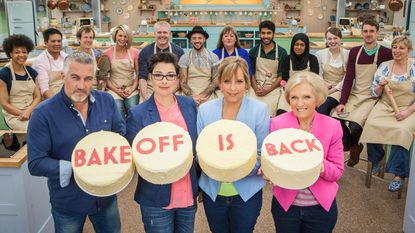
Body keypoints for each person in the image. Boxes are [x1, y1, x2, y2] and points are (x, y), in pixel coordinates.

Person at [27, 52, 125, 232]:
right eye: (75, 77)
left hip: (105, 196)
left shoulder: (107, 101)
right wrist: (79, 167)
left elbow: (120, 135)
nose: (82, 85)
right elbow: (35, 163)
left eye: (88, 78)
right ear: (63, 76)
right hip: (69, 200)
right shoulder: (43, 114)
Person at [126, 52, 199, 233]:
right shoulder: (138, 113)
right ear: (150, 77)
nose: (164, 81)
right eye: (158, 75)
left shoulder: (189, 105)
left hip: (187, 191)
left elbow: (196, 147)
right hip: (155, 196)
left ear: (177, 78)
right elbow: (132, 156)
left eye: (170, 75)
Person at [197, 56, 269, 233]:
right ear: (219, 83)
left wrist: (233, 168)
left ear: (246, 83)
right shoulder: (205, 110)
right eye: (227, 81)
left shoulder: (259, 110)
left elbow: (261, 153)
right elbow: (200, 151)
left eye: (239, 81)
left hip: (246, 192)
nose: (233, 88)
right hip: (213, 191)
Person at [268, 71, 344, 233]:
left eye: (307, 97)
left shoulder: (332, 126)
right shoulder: (277, 124)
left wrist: (315, 161)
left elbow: (337, 172)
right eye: (294, 97)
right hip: (286, 207)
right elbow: (271, 163)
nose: (299, 103)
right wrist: (268, 171)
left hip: (321, 208)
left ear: (318, 98)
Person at [334, 19, 392, 167]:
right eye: (365, 31)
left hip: (372, 97)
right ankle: (353, 146)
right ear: (361, 33)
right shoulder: (354, 52)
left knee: (355, 125)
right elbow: (348, 78)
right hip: (356, 94)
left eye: (371, 31)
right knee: (335, 117)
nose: (368, 34)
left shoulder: (386, 53)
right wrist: (342, 102)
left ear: (377, 33)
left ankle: (352, 146)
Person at [360, 36, 415, 192]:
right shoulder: (385, 66)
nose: (397, 51)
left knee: (401, 131)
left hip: (409, 107)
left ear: (409, 50)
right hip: (385, 105)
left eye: (401, 48)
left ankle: (398, 175)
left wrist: (407, 113)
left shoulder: (414, 67)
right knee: (371, 124)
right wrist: (379, 86)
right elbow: (374, 93)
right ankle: (377, 159)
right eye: (395, 47)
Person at [0, 34, 41, 131]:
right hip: (14, 115)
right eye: (17, 52)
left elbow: (37, 96)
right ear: (10, 54)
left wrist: (30, 111)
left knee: (52, 126)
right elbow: (4, 103)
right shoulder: (4, 74)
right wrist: (22, 113)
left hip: (32, 112)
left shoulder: (31, 72)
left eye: (24, 52)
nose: (22, 55)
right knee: (35, 130)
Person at [248, 20, 287, 116]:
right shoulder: (253, 51)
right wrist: (256, 88)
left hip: (273, 89)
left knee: (272, 110)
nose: (265, 36)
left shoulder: (282, 52)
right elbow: (251, 73)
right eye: (263, 33)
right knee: (250, 108)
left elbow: (280, 76)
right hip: (256, 86)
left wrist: (268, 90)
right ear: (260, 34)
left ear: (273, 34)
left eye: (269, 33)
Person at [138, 21, 184, 102]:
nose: (162, 35)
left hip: (172, 88)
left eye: (165, 32)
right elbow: (142, 77)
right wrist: (145, 96)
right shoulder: (145, 51)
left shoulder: (179, 51)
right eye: (159, 32)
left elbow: (180, 77)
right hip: (151, 88)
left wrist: (170, 93)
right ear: (154, 33)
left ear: (169, 34)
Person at [278, 33, 319, 115]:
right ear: (292, 45)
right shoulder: (287, 59)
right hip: (290, 91)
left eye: (302, 45)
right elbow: (285, 79)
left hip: (308, 91)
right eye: (296, 44)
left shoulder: (312, 59)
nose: (299, 47)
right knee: (282, 111)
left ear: (306, 47)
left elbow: (314, 80)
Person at [179, 26, 220, 105]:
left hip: (208, 93)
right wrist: (192, 96)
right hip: (189, 93)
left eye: (200, 38)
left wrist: (202, 95)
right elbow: (182, 82)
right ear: (190, 40)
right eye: (194, 38)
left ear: (204, 39)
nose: (197, 41)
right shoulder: (184, 58)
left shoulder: (213, 57)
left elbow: (215, 80)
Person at [104, 24, 139, 118]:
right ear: (115, 36)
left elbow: (138, 74)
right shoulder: (107, 53)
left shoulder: (134, 52)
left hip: (130, 88)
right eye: (120, 35)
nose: (122, 39)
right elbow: (105, 77)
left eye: (125, 36)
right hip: (113, 89)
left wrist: (132, 89)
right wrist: (116, 90)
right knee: (118, 110)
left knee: (133, 109)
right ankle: (120, 132)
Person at [315, 27, 350, 115]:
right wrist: (324, 85)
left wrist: (331, 91)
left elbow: (347, 78)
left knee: (324, 106)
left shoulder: (347, 54)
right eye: (329, 39)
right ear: (326, 40)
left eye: (335, 38)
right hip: (323, 87)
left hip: (339, 90)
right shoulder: (320, 54)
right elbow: (318, 75)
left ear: (340, 39)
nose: (332, 41)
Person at [32, 28, 67, 99]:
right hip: (50, 100)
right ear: (45, 43)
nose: (57, 44)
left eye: (59, 41)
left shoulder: (66, 57)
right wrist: (57, 105)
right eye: (53, 41)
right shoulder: (40, 61)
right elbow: (44, 90)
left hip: (67, 97)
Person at [76, 26, 110, 90]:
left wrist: (98, 94)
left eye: (91, 38)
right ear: (79, 39)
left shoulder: (101, 57)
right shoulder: (73, 58)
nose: (88, 40)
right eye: (85, 37)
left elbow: (102, 81)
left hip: (96, 89)